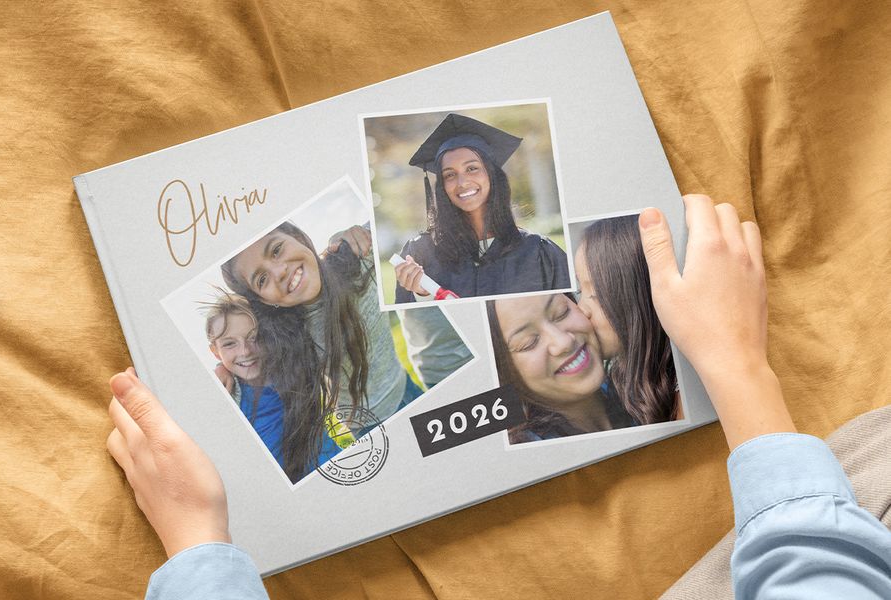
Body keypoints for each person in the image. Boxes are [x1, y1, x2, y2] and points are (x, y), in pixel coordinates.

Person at [106, 196, 891, 599]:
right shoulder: (279, 341)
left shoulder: (362, 267)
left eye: (280, 253)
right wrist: (739, 368)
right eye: (261, 282)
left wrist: (199, 549)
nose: (278, 277)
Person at [219, 221, 422, 481]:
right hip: (368, 427)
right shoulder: (287, 337)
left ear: (299, 237)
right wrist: (222, 369)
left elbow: (413, 220)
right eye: (261, 279)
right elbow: (242, 361)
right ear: (264, 300)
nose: (278, 271)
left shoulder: (359, 257)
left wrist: (353, 235)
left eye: (277, 249)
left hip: (407, 388)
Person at [394, 113, 569, 302]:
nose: (462, 182)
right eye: (449, 174)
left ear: (492, 175)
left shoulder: (538, 252)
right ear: (441, 186)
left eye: (472, 168)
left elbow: (571, 315)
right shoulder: (420, 254)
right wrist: (422, 294)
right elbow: (416, 327)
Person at [202, 292, 351, 478]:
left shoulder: (291, 363)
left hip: (334, 465)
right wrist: (221, 369)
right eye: (229, 344)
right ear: (215, 351)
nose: (245, 351)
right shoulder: (228, 395)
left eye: (254, 337)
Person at [574, 214, 682, 423]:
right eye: (580, 291)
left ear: (641, 296)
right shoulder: (622, 382)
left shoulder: (682, 401)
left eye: (596, 294)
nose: (581, 310)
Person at [487, 292, 633, 442]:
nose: (564, 342)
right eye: (528, 342)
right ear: (502, 372)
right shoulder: (531, 454)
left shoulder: (638, 386)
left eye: (561, 312)